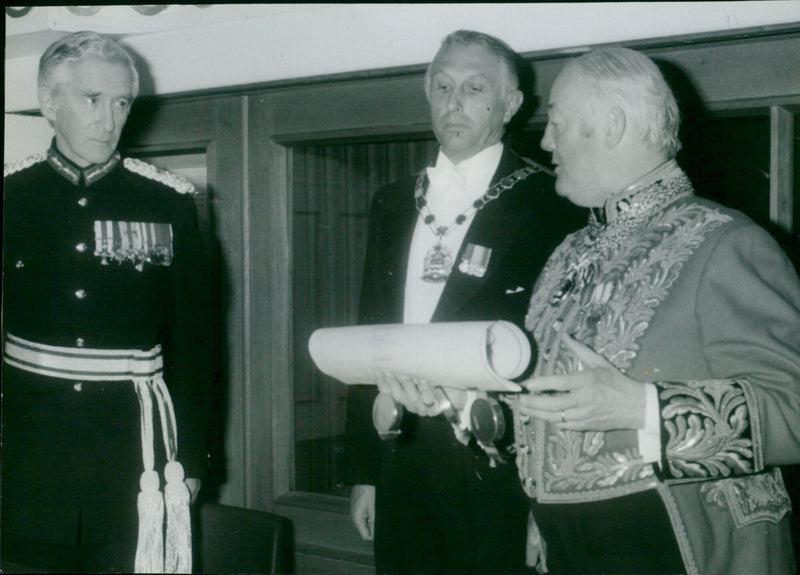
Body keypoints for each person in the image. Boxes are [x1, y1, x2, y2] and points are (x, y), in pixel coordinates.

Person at [512, 46, 800, 575]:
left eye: (555, 122)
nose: (546, 141)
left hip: (680, 547)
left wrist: (644, 409)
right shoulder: (569, 252)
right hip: (573, 544)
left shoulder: (727, 243)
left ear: (613, 125)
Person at [345, 30, 585, 575]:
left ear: (511, 104)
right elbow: (371, 333)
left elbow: (564, 355)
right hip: (400, 455)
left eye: (475, 88)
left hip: (499, 468)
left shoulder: (552, 203)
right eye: (443, 86)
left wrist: (546, 502)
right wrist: (366, 472)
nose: (454, 103)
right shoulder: (391, 201)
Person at [2, 31, 211, 573]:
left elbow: (197, 342)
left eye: (121, 103)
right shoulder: (11, 198)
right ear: (50, 103)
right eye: (92, 99)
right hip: (27, 450)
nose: (108, 118)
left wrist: (190, 456)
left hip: (131, 453)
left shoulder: (167, 202)